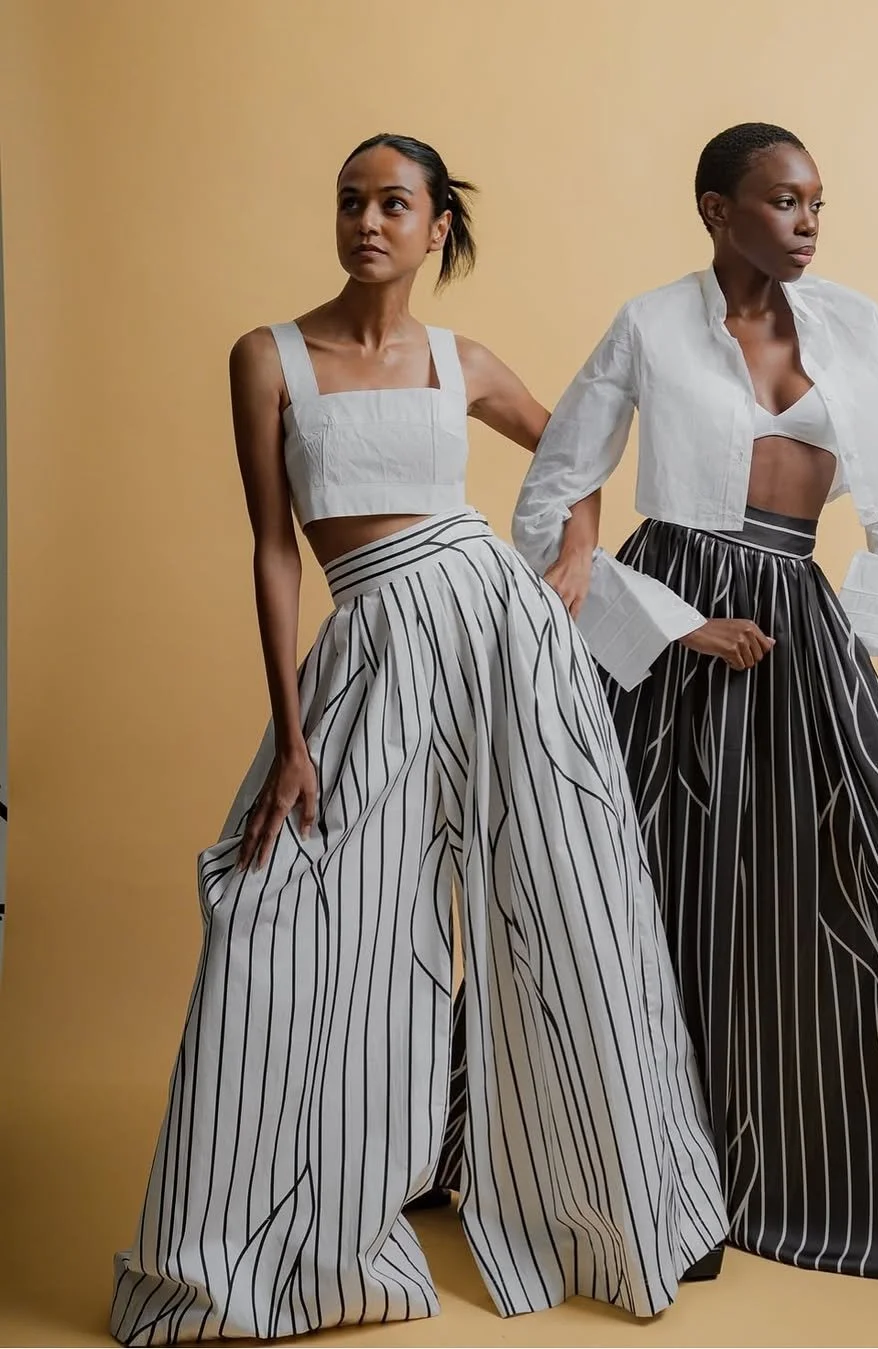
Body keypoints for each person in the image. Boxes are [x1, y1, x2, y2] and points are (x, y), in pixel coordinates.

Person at [109, 133, 728, 1346]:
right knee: (281, 910)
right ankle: (261, 1249)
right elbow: (276, 549)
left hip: (499, 631)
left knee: (571, 903)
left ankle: (627, 1204)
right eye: (350, 201)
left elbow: (577, 450)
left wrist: (573, 557)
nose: (366, 222)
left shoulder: (463, 360)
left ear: (437, 225)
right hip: (373, 647)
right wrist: (292, 736)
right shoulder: (269, 357)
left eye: (393, 203)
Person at [510, 123, 878, 1281]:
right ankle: (649, 1179)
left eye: (817, 201)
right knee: (653, 907)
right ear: (717, 210)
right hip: (674, 625)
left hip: (804, 626)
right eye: (782, 200)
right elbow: (550, 496)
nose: (808, 220)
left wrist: (856, 645)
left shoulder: (859, 329)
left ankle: (820, 1185)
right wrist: (668, 624)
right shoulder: (649, 323)